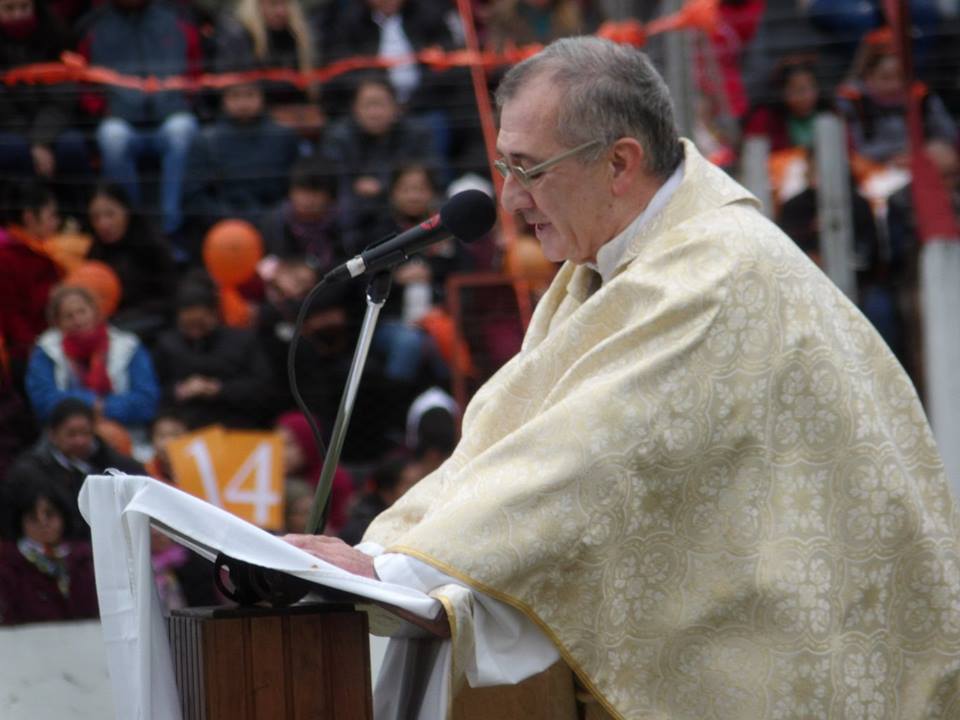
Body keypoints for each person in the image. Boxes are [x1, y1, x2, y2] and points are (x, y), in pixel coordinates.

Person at [283, 37, 960, 718]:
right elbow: (513, 440)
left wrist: (398, 576)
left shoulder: (713, 274)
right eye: (502, 166)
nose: (510, 199)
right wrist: (384, 554)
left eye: (529, 169)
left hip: (816, 652)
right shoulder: (627, 255)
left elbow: (589, 456)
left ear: (619, 163)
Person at [79, 0, 202, 244]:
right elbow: (83, 80)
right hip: (121, 120)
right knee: (112, 137)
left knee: (183, 129)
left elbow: (196, 70)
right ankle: (132, 226)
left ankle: (171, 226)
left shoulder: (177, 18)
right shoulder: (93, 26)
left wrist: (183, 100)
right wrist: (103, 108)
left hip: (170, 115)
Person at [4, 398, 144, 540]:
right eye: (71, 434)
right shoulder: (29, 472)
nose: (80, 440)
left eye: (85, 433)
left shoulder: (120, 466)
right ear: (53, 435)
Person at [25, 284, 161, 427]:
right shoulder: (46, 351)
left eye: (82, 312)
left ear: (95, 312)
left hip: (125, 432)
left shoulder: (128, 346)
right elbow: (44, 402)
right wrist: (90, 403)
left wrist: (103, 407)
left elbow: (146, 402)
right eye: (68, 316)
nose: (77, 321)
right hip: (66, 436)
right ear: (57, 322)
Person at [152, 278, 274, 429]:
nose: (195, 331)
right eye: (187, 325)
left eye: (200, 323)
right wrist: (180, 390)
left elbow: (263, 387)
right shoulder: (167, 344)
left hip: (237, 423)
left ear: (214, 315)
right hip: (186, 425)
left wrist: (218, 389)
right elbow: (156, 388)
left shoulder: (243, 341)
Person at [182, 80, 301, 232]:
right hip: (223, 230)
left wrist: (271, 218)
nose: (243, 103)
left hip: (275, 226)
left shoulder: (283, 137)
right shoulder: (205, 141)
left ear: (262, 97)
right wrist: (228, 219)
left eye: (250, 95)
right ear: (224, 100)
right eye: (235, 96)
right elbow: (194, 196)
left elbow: (294, 187)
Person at [0, 477, 99, 625]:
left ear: (63, 516)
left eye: (50, 514)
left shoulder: (85, 559)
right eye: (33, 518)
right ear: (21, 522)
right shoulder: (8, 566)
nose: (43, 523)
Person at [86, 183, 178, 341]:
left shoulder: (151, 244)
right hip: (107, 321)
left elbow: (169, 297)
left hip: (151, 319)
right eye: (96, 217)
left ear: (126, 211)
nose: (103, 224)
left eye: (110, 214)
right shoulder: (95, 251)